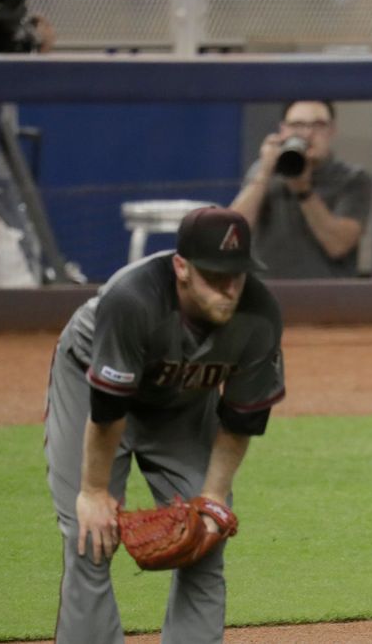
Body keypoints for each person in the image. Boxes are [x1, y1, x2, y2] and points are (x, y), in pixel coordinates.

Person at [43, 206, 285, 643]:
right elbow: (109, 411)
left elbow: (240, 418)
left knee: (205, 539)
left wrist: (212, 498)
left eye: (238, 275)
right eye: (215, 275)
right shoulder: (132, 299)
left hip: (181, 402)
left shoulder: (260, 314)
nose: (229, 289)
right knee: (91, 536)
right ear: (182, 268)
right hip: (91, 385)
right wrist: (95, 492)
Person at [230, 100, 372, 279]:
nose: (307, 134)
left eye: (318, 125)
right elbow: (232, 234)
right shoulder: (263, 172)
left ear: (332, 131)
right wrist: (263, 174)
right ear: (283, 131)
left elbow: (338, 245)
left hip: (328, 297)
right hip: (266, 293)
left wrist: (303, 191)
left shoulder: (352, 178)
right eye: (297, 125)